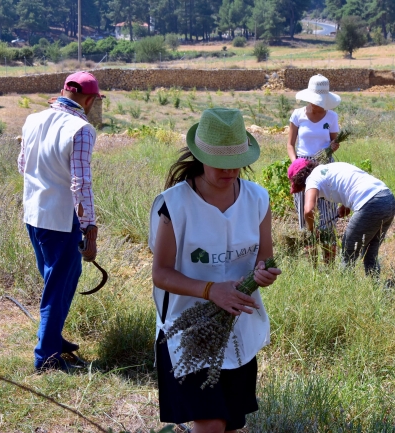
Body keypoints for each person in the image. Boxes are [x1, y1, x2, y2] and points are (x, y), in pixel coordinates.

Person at [149, 108, 281, 433]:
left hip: (237, 330)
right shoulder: (173, 205)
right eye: (220, 163)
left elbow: (265, 258)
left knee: (231, 426)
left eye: (236, 161)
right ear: (200, 156)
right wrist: (212, 290)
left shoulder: (257, 199)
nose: (230, 170)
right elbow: (161, 274)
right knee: (210, 425)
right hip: (187, 331)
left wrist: (262, 273)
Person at [18, 71, 104, 372]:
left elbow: (22, 165)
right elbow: (81, 183)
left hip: (33, 212)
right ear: (90, 99)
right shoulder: (81, 129)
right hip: (59, 217)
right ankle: (47, 357)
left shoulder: (32, 120)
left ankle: (53, 337)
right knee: (58, 285)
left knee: (61, 277)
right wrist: (89, 225)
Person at [287, 159, 395, 276]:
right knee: (370, 251)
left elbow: (308, 210)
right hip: (388, 199)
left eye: (301, 188)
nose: (304, 190)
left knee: (348, 250)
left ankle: (344, 286)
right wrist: (345, 205)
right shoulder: (331, 168)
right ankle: (375, 287)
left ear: (300, 180)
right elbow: (353, 181)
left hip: (371, 203)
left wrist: (312, 231)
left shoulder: (312, 179)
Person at [286, 74, 342, 264]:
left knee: (327, 213)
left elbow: (334, 141)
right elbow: (290, 145)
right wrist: (296, 165)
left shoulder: (331, 116)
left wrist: (332, 147)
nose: (319, 105)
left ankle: (329, 264)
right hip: (302, 167)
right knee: (305, 214)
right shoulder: (298, 115)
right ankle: (312, 264)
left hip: (325, 166)